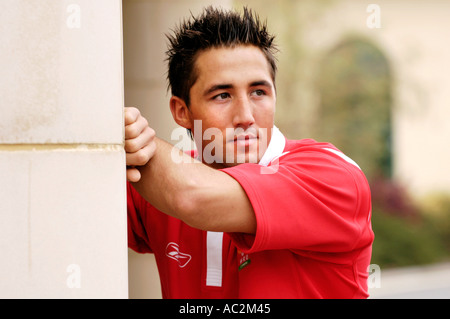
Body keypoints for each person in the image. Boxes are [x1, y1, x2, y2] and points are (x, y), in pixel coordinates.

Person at [125, 6, 374, 299]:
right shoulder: (164, 177)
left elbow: (191, 196)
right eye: (222, 95)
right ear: (182, 112)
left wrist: (135, 142)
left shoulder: (333, 176)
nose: (245, 116)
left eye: (259, 92)